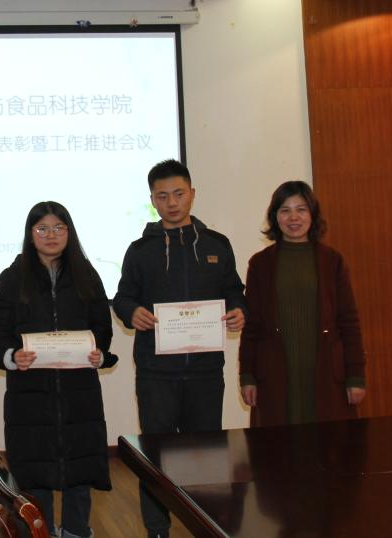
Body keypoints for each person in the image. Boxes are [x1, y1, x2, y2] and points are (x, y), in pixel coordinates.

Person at [112, 159, 246, 538]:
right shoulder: (140, 250)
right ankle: (157, 529)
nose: (171, 203)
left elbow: (234, 291)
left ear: (192, 194)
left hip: (205, 373)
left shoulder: (217, 245)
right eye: (162, 196)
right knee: (155, 454)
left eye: (178, 194)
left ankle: (207, 524)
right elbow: (123, 298)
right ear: (152, 200)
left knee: (207, 455)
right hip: (156, 374)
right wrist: (132, 312)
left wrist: (240, 310)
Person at [0, 201, 117, 538]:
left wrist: (98, 352)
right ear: (30, 234)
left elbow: (102, 328)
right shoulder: (12, 278)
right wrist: (12, 356)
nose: (51, 235)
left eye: (59, 228)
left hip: (79, 395)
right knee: (35, 477)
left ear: (69, 232)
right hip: (30, 398)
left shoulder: (87, 274)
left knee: (79, 474)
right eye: (42, 229)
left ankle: (76, 532)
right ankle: (41, 533)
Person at [239, 180, 366, 426]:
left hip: (327, 375)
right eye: (285, 210)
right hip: (274, 376)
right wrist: (247, 376)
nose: (293, 217)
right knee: (277, 445)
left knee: (330, 445)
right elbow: (252, 326)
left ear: (313, 214)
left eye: (301, 209)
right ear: (275, 217)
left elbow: (349, 323)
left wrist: (356, 376)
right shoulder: (260, 264)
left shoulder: (333, 261)